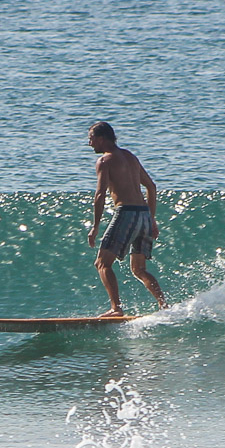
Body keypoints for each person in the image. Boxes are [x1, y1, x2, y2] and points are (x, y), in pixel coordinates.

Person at [86, 121, 167, 314]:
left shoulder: (105, 161)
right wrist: (152, 219)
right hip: (143, 215)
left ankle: (116, 308)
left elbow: (100, 195)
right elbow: (151, 187)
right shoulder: (130, 157)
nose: (89, 143)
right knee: (139, 269)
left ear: (101, 138)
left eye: (91, 139)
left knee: (102, 263)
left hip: (126, 213)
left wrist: (95, 227)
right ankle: (164, 305)